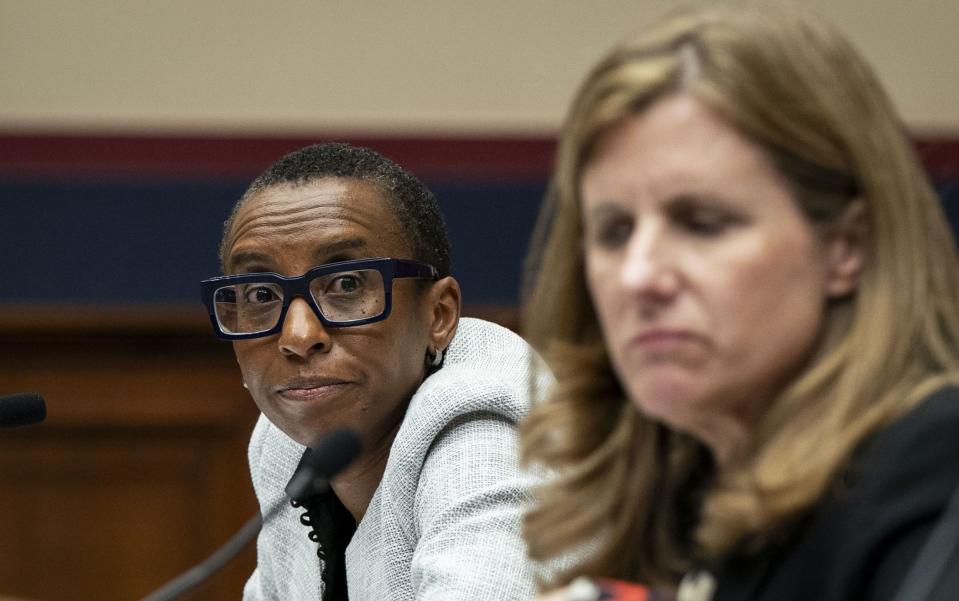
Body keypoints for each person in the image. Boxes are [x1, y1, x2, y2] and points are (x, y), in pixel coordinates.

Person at [519, 2, 959, 600]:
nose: (638, 276)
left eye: (702, 223)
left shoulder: (935, 464)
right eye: (615, 232)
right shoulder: (685, 495)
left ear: (846, 247)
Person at [201, 142, 544, 601]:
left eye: (346, 284)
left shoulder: (486, 424)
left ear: (438, 315)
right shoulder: (281, 446)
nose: (299, 336)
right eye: (261, 296)